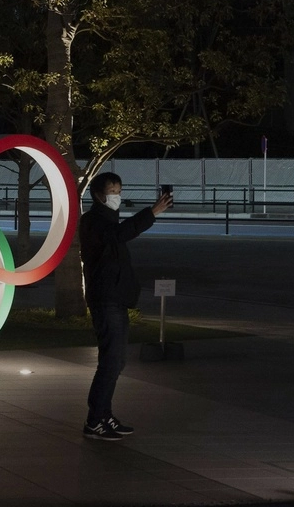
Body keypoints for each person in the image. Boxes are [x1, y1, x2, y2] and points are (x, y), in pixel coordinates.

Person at [79, 172, 172, 441]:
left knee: (115, 361)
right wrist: (151, 212)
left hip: (115, 299)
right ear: (98, 194)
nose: (117, 195)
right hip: (105, 300)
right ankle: (95, 420)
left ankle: (104, 415)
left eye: (119, 190)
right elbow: (120, 235)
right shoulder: (94, 221)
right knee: (110, 362)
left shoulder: (106, 219)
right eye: (112, 191)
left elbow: (119, 237)